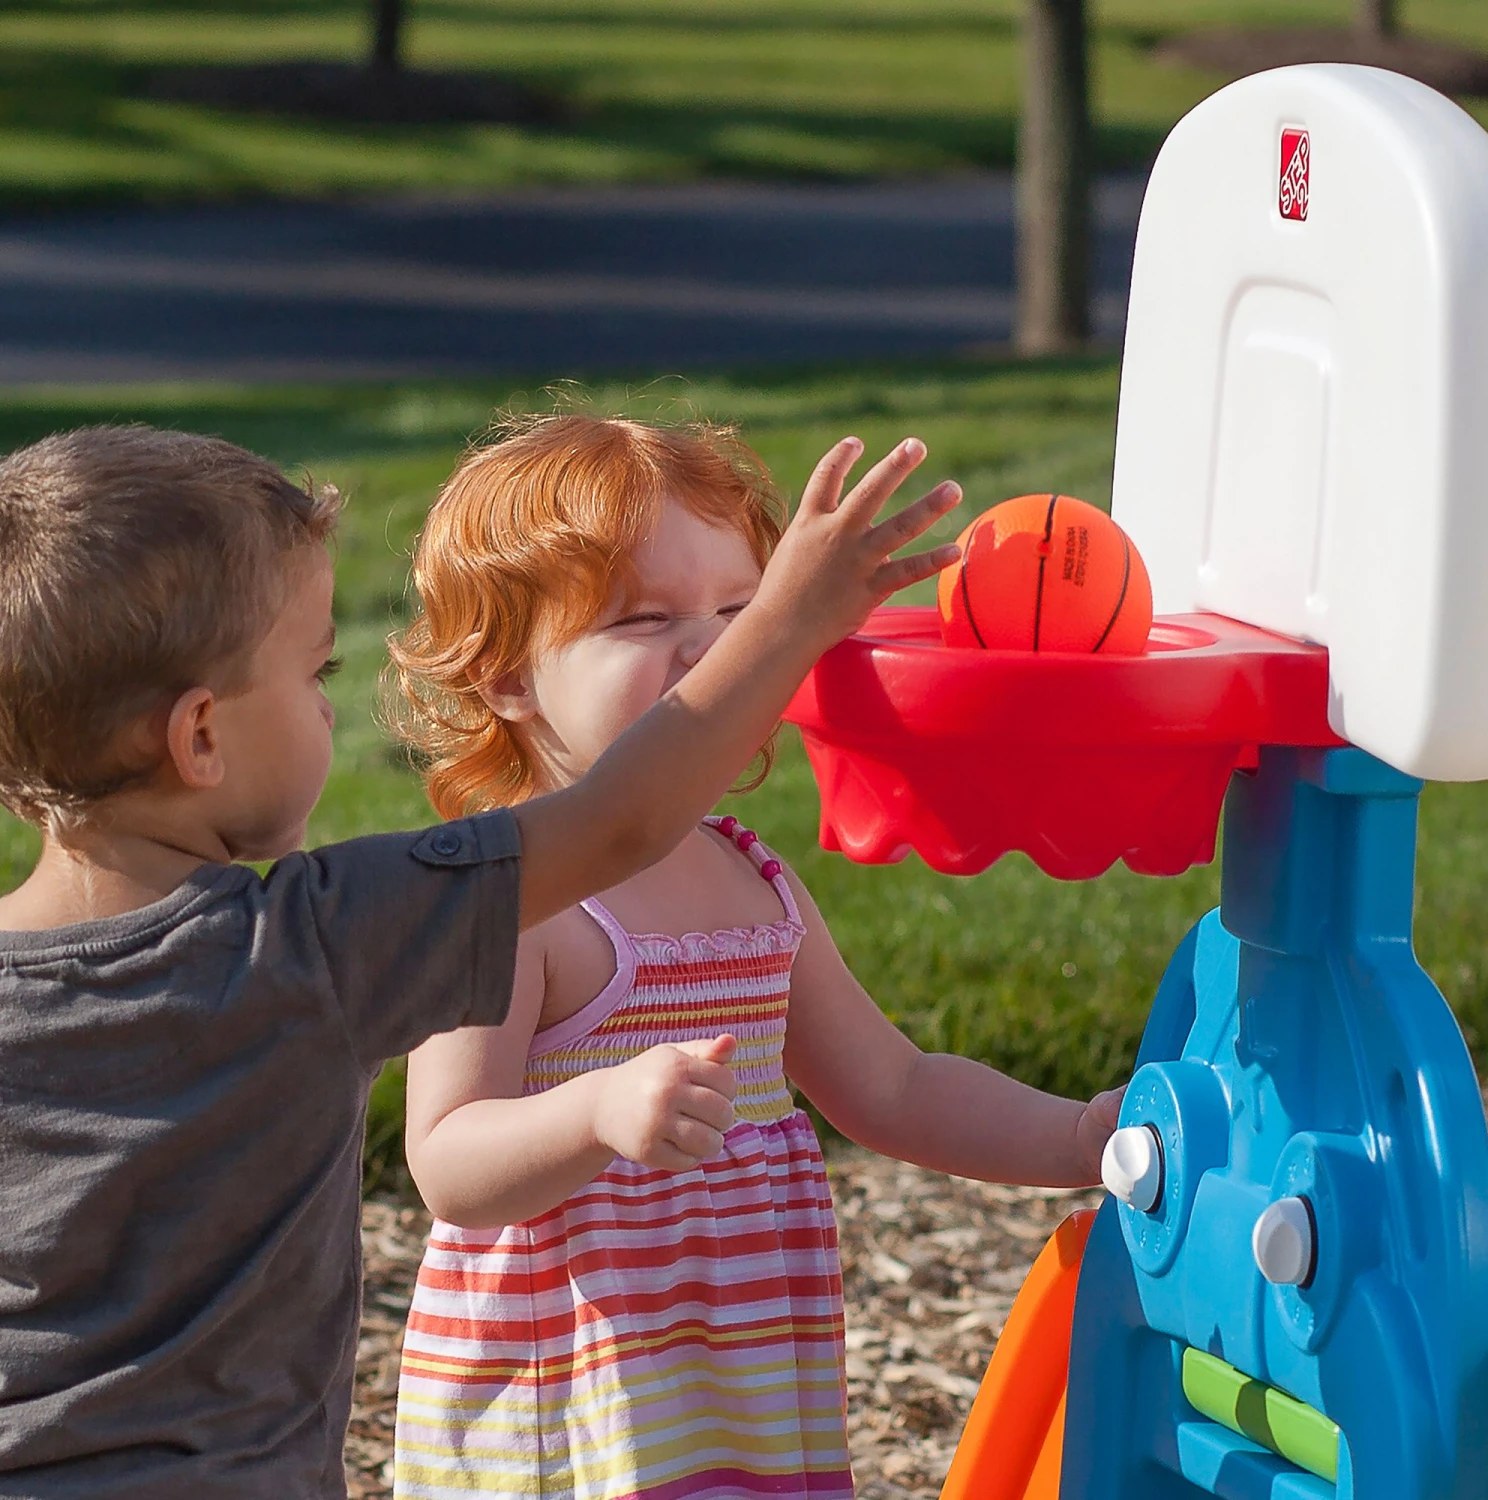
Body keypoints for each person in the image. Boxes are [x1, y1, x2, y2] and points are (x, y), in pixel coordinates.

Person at [0, 422, 957, 1500]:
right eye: (314, 673)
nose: (327, 704)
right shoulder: (321, 944)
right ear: (202, 739)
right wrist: (785, 621)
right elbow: (618, 823)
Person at [387, 414, 1125, 1500]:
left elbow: (897, 1087)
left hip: (735, 1388)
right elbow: (447, 1159)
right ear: (504, 677)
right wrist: (593, 1114)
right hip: (569, 1416)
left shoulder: (748, 879)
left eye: (743, 613)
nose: (718, 650)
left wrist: (1073, 1138)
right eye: (645, 620)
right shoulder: (516, 900)